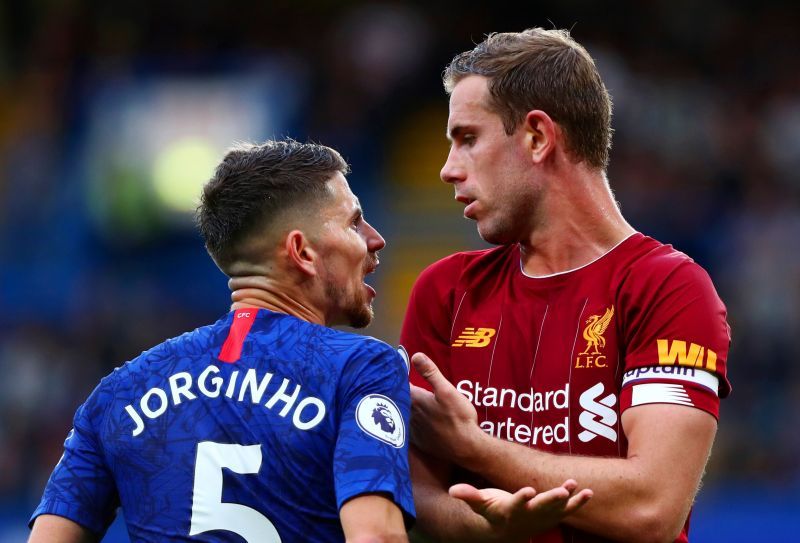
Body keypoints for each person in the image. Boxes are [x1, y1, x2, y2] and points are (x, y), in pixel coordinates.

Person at [400, 28, 731, 543]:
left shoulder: (668, 287)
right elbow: (416, 496)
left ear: (537, 137)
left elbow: (653, 508)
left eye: (468, 138)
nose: (448, 169)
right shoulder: (445, 290)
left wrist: (476, 447)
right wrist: (495, 531)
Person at [28, 139, 416, 542]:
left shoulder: (117, 394)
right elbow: (377, 537)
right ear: (302, 251)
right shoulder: (362, 369)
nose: (375, 239)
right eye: (354, 223)